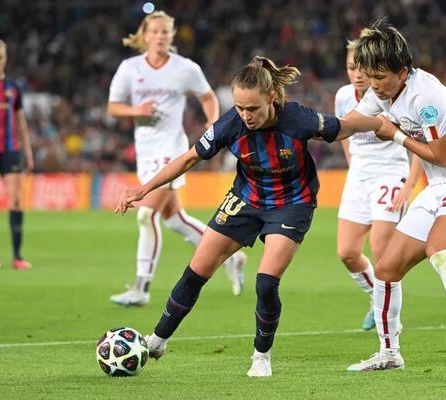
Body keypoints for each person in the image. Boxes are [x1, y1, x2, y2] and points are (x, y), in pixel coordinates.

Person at [115, 56, 382, 377]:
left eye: (252, 109)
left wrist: (387, 126)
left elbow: (345, 128)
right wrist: (143, 189)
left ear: (271, 99)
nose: (246, 116)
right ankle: (157, 340)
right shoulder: (231, 124)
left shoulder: (298, 118)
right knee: (197, 270)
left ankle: (261, 356)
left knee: (266, 282)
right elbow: (188, 158)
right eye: (240, 108)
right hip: (245, 199)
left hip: (292, 203)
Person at [341, 20, 446, 371]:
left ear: (402, 70)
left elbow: (443, 157)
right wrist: (296, 125)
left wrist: (394, 134)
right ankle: (389, 353)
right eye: (368, 76)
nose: (373, 85)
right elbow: (347, 124)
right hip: (438, 187)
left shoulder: (426, 97)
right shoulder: (380, 91)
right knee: (385, 269)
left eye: (379, 77)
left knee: (439, 249)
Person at [107, 11, 246, 305]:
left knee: (146, 214)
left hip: (172, 149)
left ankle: (141, 289)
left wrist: (212, 122)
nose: (160, 37)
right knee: (175, 219)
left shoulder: (185, 68)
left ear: (172, 36)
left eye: (166, 32)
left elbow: (208, 96)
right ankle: (231, 258)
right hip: (146, 152)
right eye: (155, 32)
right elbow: (114, 107)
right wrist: (137, 111)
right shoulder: (129, 69)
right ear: (145, 35)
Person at [335, 36, 422, 331]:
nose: (357, 74)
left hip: (390, 175)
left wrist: (409, 186)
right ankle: (377, 298)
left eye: (362, 68)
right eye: (350, 67)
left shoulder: (389, 97)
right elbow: (344, 134)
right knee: (346, 252)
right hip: (358, 176)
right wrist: (352, 165)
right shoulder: (343, 96)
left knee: (381, 251)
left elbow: (417, 144)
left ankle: (390, 322)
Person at [0, 38, 34, 270]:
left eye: (0, 58)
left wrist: (27, 150)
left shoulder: (13, 87)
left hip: (11, 149)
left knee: (15, 201)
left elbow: (20, 121)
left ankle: (17, 256)